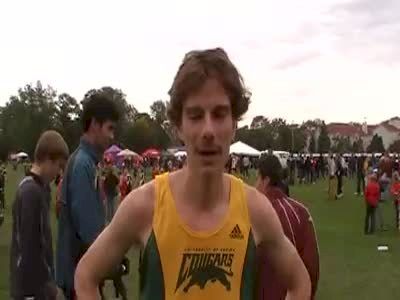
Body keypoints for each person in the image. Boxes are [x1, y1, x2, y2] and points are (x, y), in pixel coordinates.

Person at [74, 48, 311, 299]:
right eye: (196, 116)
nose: (208, 130)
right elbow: (86, 275)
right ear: (179, 127)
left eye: (219, 114)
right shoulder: (145, 205)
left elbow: (299, 282)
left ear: (234, 126)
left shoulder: (255, 210)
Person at [55, 92, 120, 299]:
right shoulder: (83, 164)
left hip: (79, 272)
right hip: (79, 277)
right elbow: (90, 233)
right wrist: (112, 260)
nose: (112, 136)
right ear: (94, 125)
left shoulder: (85, 161)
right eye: (109, 128)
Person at [10, 130, 69, 300]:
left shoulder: (38, 189)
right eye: (58, 165)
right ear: (48, 159)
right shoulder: (31, 192)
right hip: (30, 289)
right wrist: (50, 288)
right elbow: (31, 249)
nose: (59, 172)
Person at [255, 154, 319, 299]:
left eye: (257, 178)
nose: (255, 184)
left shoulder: (254, 214)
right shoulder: (301, 212)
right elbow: (312, 268)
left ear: (265, 180)